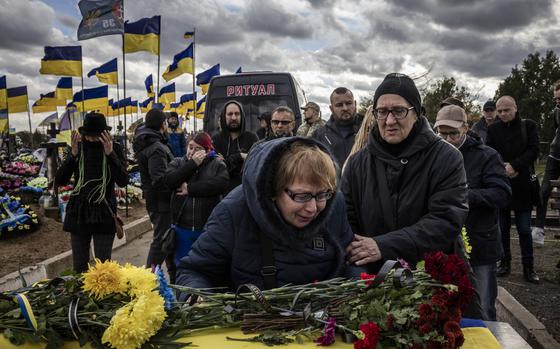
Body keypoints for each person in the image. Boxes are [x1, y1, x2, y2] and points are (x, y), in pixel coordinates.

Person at [175, 137, 357, 295]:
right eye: (302, 196)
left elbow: (350, 260)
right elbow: (194, 272)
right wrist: (198, 300)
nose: (312, 208)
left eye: (321, 195)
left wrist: (356, 291)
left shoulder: (334, 204)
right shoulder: (233, 212)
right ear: (272, 190)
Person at [341, 73, 468, 273]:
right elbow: (345, 221)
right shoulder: (357, 164)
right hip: (373, 282)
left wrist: (383, 246)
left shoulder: (446, 158)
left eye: (399, 111)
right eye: (382, 111)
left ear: (417, 113)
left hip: (429, 277)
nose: (389, 120)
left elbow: (445, 220)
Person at [434, 105, 511, 321]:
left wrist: (463, 195)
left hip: (480, 242)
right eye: (442, 133)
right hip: (445, 245)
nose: (447, 139)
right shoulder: (433, 156)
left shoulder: (487, 156)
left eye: (453, 133)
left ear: (466, 128)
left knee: (484, 307)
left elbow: (502, 193)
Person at [55, 112, 128, 273]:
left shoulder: (114, 148)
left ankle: (102, 296)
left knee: (103, 268)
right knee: (80, 267)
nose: (93, 140)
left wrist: (110, 154)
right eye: (90, 136)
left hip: (104, 210)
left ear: (105, 134)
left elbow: (123, 180)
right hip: (79, 211)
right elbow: (61, 180)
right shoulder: (78, 148)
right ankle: (81, 297)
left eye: (97, 136)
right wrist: (72, 155)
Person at [486, 96, 540, 283]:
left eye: (506, 110)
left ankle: (528, 267)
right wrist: (503, 168)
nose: (502, 114)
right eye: (499, 111)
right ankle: (505, 263)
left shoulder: (529, 126)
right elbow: (489, 151)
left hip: (523, 185)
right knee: (503, 229)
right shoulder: (492, 129)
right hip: (501, 186)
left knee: (524, 229)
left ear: (515, 108)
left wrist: (515, 166)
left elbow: (534, 150)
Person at [164, 132, 229, 265]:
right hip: (181, 227)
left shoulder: (216, 164)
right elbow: (170, 181)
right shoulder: (178, 162)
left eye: (198, 149)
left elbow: (221, 184)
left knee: (204, 265)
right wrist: (192, 164)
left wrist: (190, 189)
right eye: (190, 147)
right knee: (181, 265)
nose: (192, 151)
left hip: (206, 229)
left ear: (207, 150)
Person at [133, 109, 176, 282]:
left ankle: (173, 275)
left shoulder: (150, 142)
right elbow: (159, 179)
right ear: (162, 124)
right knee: (161, 241)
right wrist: (176, 184)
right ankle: (148, 280)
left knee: (167, 240)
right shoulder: (156, 147)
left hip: (157, 201)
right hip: (162, 202)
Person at [532, 81, 560, 245]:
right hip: (555, 155)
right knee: (543, 192)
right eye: (555, 98)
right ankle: (539, 230)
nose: (557, 101)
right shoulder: (556, 111)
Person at [212, 101, 259, 193]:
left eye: (237, 114)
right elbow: (217, 169)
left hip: (246, 192)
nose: (233, 117)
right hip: (222, 194)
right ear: (224, 117)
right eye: (230, 114)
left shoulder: (252, 138)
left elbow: (254, 166)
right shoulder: (216, 140)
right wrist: (240, 156)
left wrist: (226, 161)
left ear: (242, 116)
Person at [313, 87, 361, 170]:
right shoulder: (320, 135)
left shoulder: (369, 130)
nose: (345, 108)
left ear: (355, 104)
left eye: (349, 103)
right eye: (339, 105)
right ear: (331, 109)